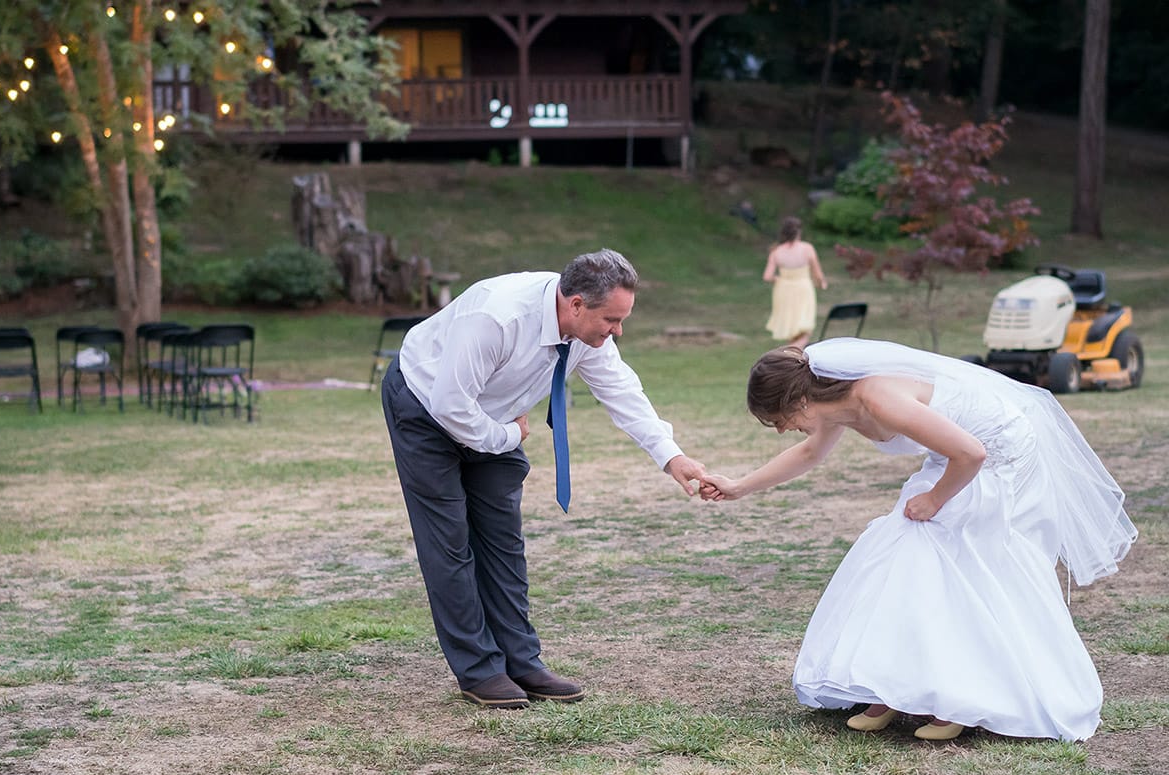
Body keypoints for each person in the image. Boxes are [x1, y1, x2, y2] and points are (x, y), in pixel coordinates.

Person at [699, 338, 1137, 741]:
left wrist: (935, 499)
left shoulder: (876, 396)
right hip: (953, 459)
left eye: (780, 420)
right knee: (899, 551)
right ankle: (893, 686)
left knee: (958, 560)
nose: (781, 430)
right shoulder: (837, 406)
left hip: (998, 458)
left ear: (800, 401)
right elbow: (810, 452)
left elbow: (973, 452)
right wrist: (739, 486)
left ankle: (959, 697)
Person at [381, 249, 706, 710]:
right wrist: (509, 436)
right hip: (425, 405)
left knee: (502, 540)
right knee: (449, 542)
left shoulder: (585, 334)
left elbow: (621, 391)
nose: (617, 331)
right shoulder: (497, 317)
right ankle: (479, 670)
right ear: (576, 304)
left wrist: (671, 457)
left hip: (494, 415)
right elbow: (451, 406)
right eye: (612, 320)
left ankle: (521, 661)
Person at [763, 216, 828, 349]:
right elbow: (818, 274)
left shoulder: (776, 251)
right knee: (805, 330)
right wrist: (821, 283)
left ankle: (791, 356)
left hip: (783, 290)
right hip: (803, 289)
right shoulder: (807, 248)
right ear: (799, 231)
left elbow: (767, 276)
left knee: (792, 329)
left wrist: (779, 279)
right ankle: (788, 354)